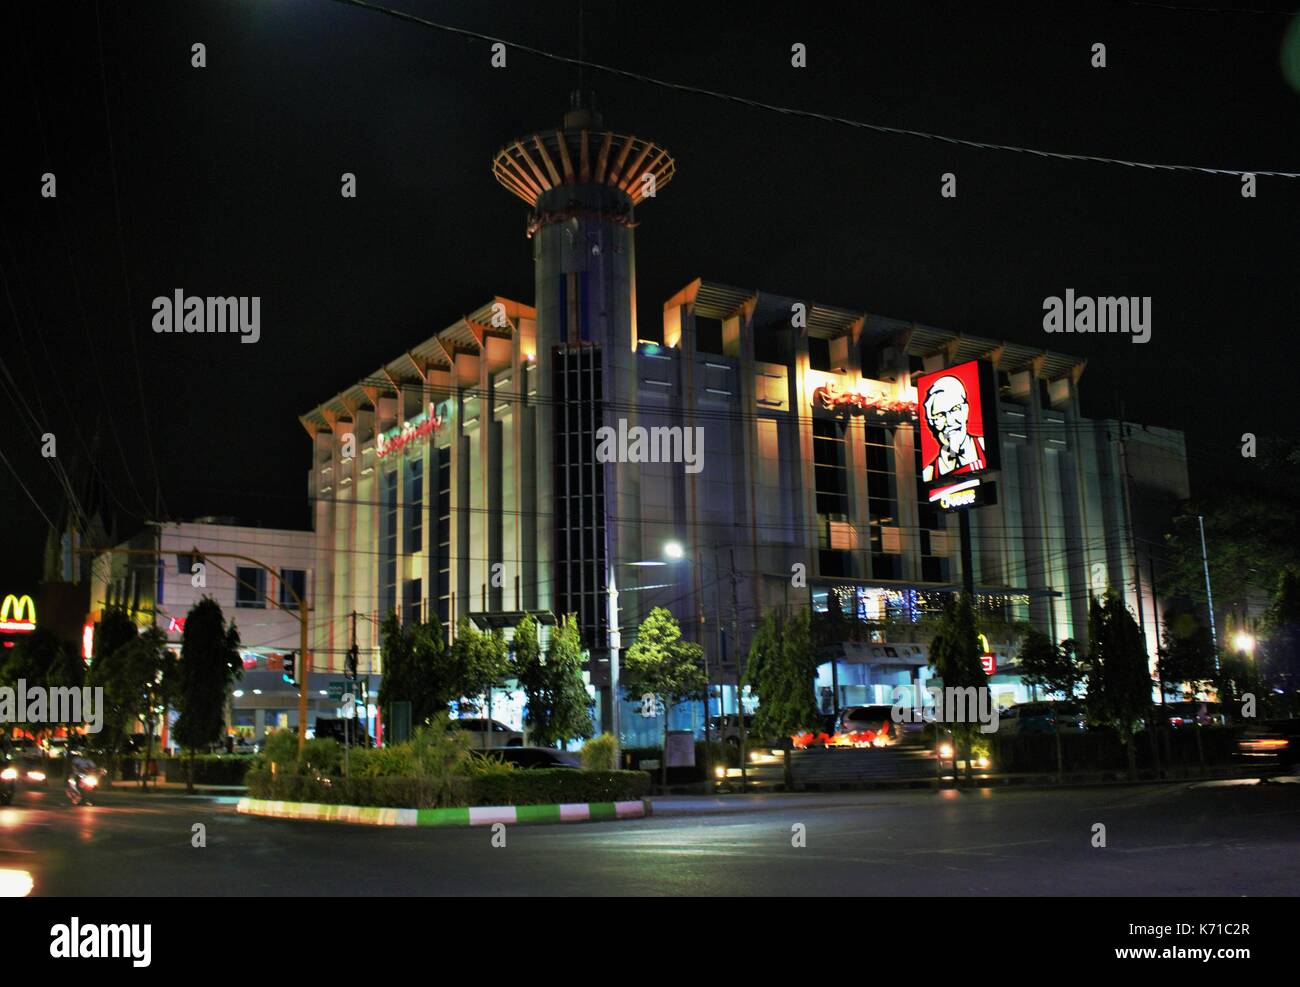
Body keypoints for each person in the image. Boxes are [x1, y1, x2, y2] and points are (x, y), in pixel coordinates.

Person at [921, 374, 987, 482]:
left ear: (965, 410)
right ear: (932, 422)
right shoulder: (928, 473)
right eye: (940, 415)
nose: (950, 422)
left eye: (954, 409)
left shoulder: (985, 446)